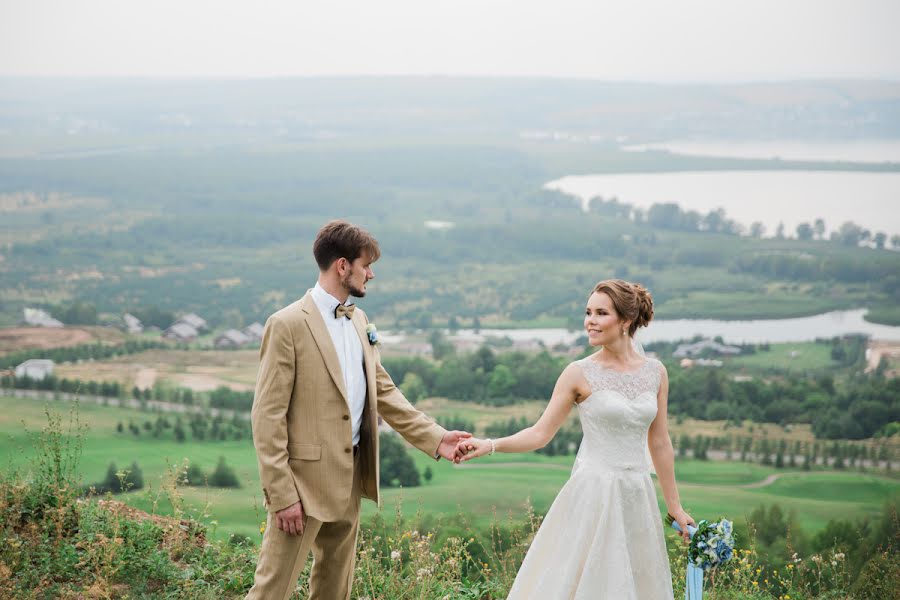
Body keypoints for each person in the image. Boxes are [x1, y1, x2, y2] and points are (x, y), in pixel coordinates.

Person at [247, 220, 471, 600]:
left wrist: (436, 438)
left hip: (350, 477)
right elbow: (266, 417)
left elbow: (383, 391)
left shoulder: (358, 320)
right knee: (272, 591)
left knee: (335, 590)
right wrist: (282, 494)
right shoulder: (286, 325)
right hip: (301, 486)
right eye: (366, 264)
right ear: (342, 266)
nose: (371, 273)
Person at [455, 279, 694, 599]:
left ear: (625, 321)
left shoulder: (656, 372)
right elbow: (540, 434)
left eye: (600, 313)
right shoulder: (578, 373)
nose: (590, 321)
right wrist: (491, 444)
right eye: (588, 312)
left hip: (638, 493)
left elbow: (660, 442)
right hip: (594, 494)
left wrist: (675, 506)